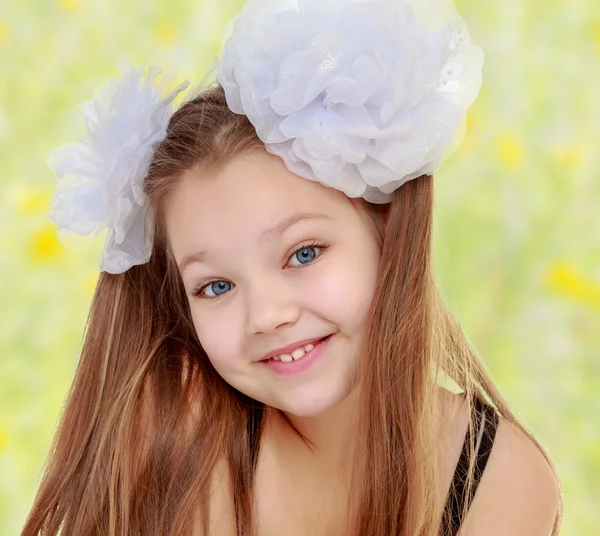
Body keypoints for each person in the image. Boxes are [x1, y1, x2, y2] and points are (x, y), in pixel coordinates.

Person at [23, 0, 563, 535]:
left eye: (303, 253)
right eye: (215, 286)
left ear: (389, 232)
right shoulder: (176, 440)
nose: (267, 315)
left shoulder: (498, 480)